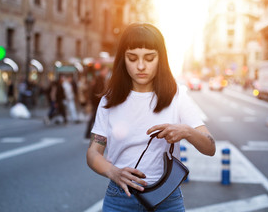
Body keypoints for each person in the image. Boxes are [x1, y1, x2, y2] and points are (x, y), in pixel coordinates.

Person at [86, 23, 216, 211]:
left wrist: (186, 131)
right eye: (132, 58)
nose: (140, 66)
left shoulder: (176, 95)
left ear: (160, 59)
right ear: (123, 59)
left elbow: (210, 147)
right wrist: (113, 172)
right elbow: (93, 153)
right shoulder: (109, 99)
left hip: (166, 198)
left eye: (149, 58)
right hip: (119, 199)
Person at [84, 65, 109, 138]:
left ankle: (89, 134)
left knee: (94, 118)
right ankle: (89, 134)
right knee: (94, 118)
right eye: (105, 71)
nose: (106, 72)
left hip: (97, 102)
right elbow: (97, 91)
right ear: (102, 71)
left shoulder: (101, 79)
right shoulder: (99, 79)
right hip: (97, 102)